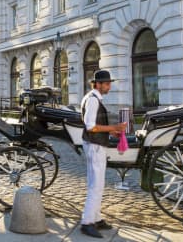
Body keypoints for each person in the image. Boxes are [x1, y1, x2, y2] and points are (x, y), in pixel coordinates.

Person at [80, 70, 126, 239]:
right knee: (96, 185)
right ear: (97, 84)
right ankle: (87, 222)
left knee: (97, 183)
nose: (109, 86)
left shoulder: (92, 98)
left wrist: (110, 133)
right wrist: (114, 128)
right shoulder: (92, 100)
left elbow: (94, 125)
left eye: (109, 83)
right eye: (106, 83)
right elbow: (91, 126)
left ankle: (96, 218)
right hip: (95, 145)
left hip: (96, 143)